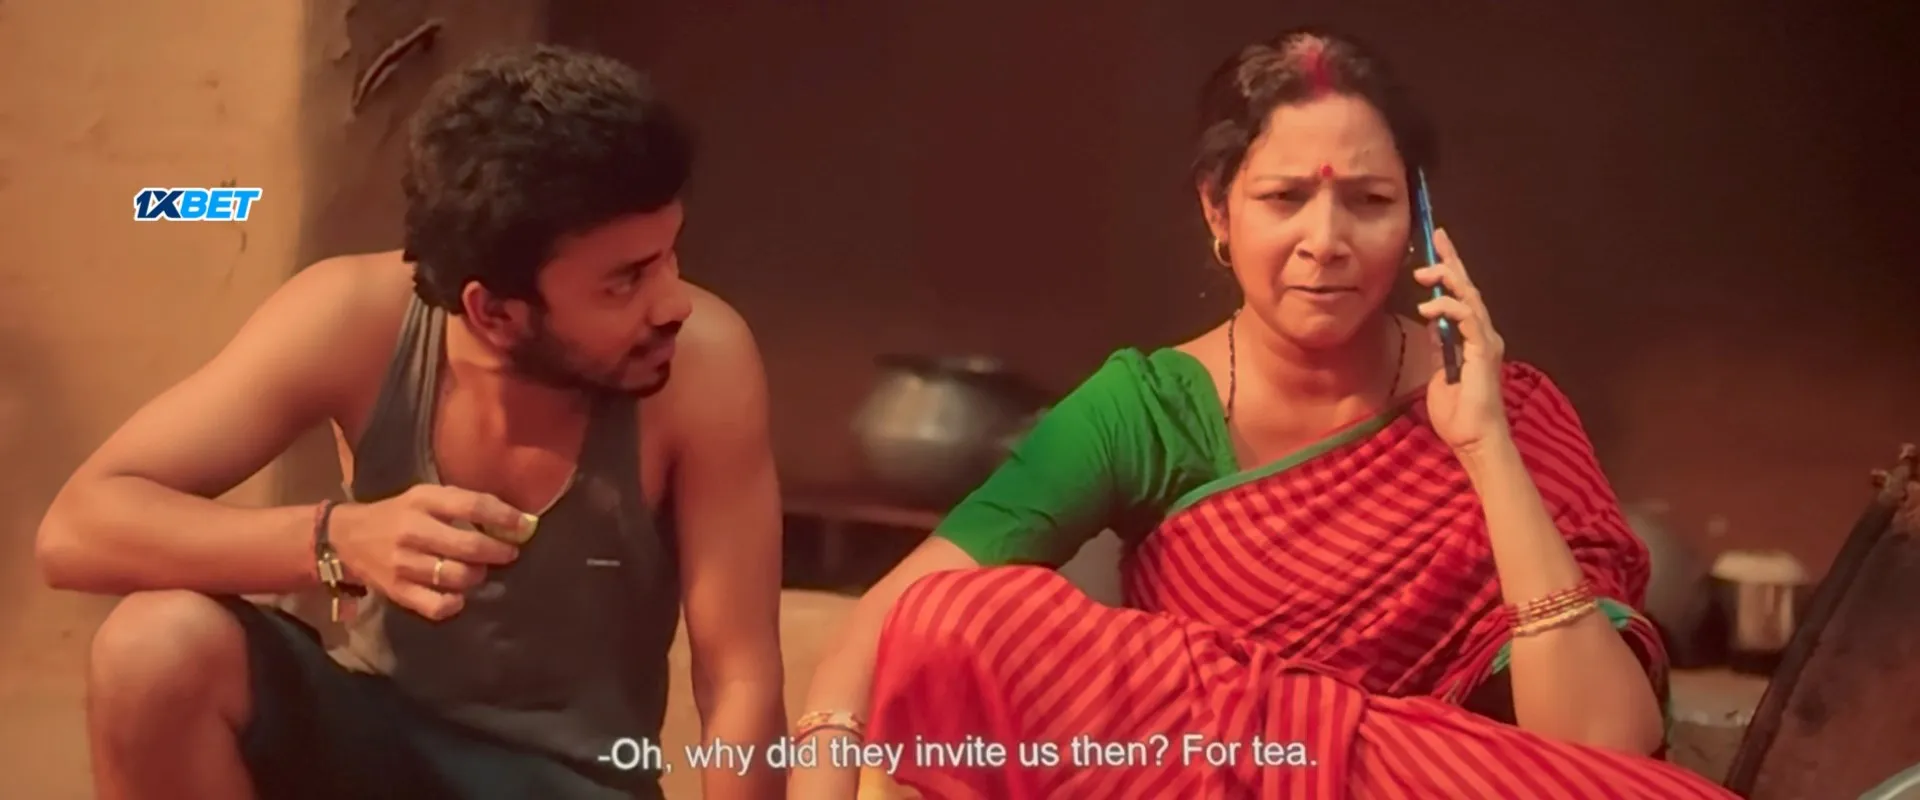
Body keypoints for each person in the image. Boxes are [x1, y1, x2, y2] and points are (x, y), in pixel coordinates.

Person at [789, 28, 1738, 799]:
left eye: (1368, 201)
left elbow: (1603, 747)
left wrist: (1486, 447)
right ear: (1218, 210)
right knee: (961, 616)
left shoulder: (1509, 407)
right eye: (1285, 198)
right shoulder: (1146, 407)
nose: (1325, 241)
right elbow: (896, 622)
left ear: (1416, 217)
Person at [36, 46, 786, 800]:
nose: (673, 303)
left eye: (669, 257)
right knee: (153, 648)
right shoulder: (353, 320)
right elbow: (78, 529)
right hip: (373, 744)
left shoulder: (704, 366)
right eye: (626, 281)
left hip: (571, 781)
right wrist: (336, 540)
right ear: (493, 312)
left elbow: (739, 677)